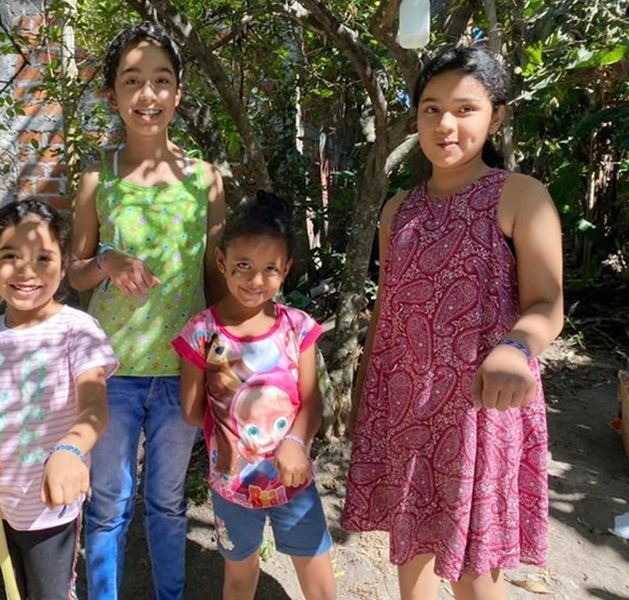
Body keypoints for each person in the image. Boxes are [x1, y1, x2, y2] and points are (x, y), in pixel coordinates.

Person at [342, 46, 564, 600]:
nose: (445, 124)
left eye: (465, 109)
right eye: (430, 109)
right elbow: (388, 314)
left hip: (480, 411)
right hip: (405, 406)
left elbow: (547, 305)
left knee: (473, 567)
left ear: (497, 116)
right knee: (408, 540)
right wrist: (366, 391)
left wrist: (518, 347)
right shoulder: (399, 209)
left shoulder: (519, 196)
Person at [68, 21, 226, 600]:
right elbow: (75, 270)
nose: (148, 94)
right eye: (132, 81)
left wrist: (222, 359)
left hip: (181, 371)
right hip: (110, 372)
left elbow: (215, 281)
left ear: (178, 93)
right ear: (112, 94)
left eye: (161, 80)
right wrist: (105, 259)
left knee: (166, 503)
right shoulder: (97, 177)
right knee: (109, 505)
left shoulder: (205, 180)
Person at [0, 199, 118, 599]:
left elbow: (95, 408)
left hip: (48, 514)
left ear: (63, 265)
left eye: (43, 257)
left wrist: (70, 450)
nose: (26, 270)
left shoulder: (79, 331)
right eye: (10, 256)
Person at [172, 191, 336, 600]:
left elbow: (312, 400)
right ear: (222, 262)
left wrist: (295, 442)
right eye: (243, 265)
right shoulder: (200, 332)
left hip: (293, 479)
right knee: (240, 578)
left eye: (269, 269)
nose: (255, 279)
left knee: (317, 577)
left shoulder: (297, 327)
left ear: (286, 271)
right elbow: (191, 413)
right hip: (232, 488)